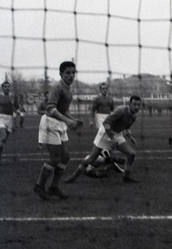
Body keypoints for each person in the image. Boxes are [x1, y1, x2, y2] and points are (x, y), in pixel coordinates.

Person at [33, 61, 83, 200]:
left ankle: (53, 187)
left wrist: (73, 120)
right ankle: (39, 185)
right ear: (61, 74)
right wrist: (67, 121)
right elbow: (51, 108)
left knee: (65, 157)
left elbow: (64, 110)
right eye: (68, 73)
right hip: (50, 123)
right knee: (55, 158)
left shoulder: (69, 90)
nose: (71, 75)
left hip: (60, 123)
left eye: (73, 72)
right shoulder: (57, 87)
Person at [65, 95, 142, 184]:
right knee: (91, 159)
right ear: (129, 104)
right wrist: (112, 138)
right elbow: (106, 123)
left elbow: (126, 127)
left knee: (131, 154)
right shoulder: (121, 110)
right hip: (105, 133)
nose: (136, 107)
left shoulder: (133, 116)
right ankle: (73, 176)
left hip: (117, 134)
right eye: (134, 104)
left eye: (138, 105)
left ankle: (126, 177)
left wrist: (130, 137)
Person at [0, 81, 17, 165]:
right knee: (3, 136)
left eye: (8, 86)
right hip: (1, 118)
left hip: (10, 119)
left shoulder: (13, 97)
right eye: (5, 86)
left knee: (4, 140)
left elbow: (16, 108)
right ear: (2, 88)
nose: (7, 88)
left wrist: (15, 121)